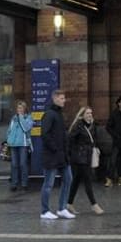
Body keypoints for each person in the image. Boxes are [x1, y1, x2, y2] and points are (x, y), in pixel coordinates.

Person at [39, 89, 73, 220]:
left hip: (62, 155)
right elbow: (45, 134)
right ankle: (44, 211)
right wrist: (55, 149)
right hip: (52, 155)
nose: (64, 100)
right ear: (55, 99)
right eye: (62, 98)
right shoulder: (49, 114)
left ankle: (62, 208)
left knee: (68, 179)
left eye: (64, 98)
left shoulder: (58, 114)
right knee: (48, 184)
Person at [65, 105, 104, 214]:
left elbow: (93, 139)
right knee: (87, 180)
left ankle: (69, 203)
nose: (90, 115)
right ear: (82, 115)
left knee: (76, 181)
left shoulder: (92, 125)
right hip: (79, 157)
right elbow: (69, 139)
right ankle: (94, 204)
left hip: (87, 156)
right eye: (87, 113)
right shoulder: (78, 126)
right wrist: (72, 153)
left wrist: (95, 148)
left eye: (91, 113)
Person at [5, 100, 33, 192]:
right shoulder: (13, 118)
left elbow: (26, 128)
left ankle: (24, 184)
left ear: (25, 109)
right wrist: (8, 139)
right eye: (18, 108)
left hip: (23, 144)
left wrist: (21, 118)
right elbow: (9, 129)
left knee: (23, 164)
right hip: (13, 144)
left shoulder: (28, 118)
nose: (19, 109)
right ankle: (14, 184)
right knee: (14, 164)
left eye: (21, 108)